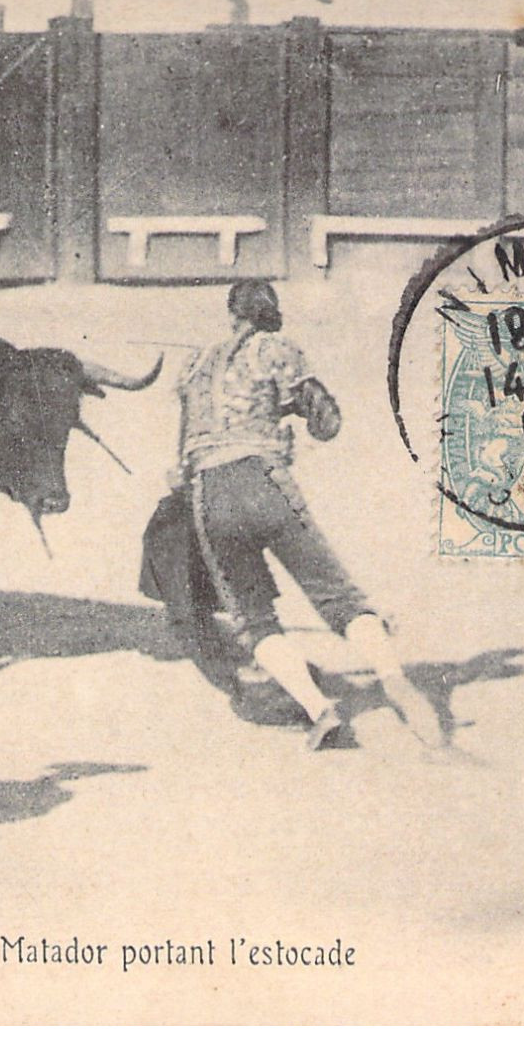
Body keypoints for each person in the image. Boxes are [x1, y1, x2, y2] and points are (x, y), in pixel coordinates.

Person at [161, 281, 444, 752]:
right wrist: (288, 408)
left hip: (209, 495)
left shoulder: (194, 363)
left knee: (253, 618)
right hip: (265, 481)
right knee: (336, 594)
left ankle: (319, 709)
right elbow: (327, 423)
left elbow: (183, 455)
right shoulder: (276, 350)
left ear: (232, 314)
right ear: (272, 314)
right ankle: (393, 678)